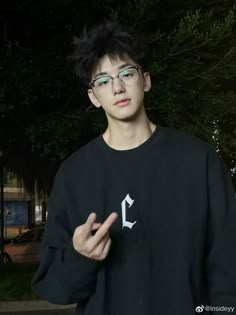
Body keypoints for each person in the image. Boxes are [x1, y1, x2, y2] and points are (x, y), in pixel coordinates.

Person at [32, 22, 236, 315]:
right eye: (103, 81)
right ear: (93, 97)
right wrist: (81, 257)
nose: (117, 87)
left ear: (146, 80)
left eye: (126, 73)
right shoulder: (74, 174)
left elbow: (227, 267)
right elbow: (55, 288)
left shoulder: (199, 161)